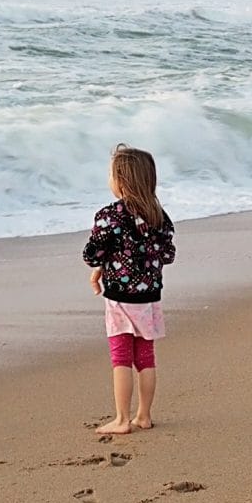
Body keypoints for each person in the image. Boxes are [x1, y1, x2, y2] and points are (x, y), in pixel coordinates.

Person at [82, 143, 176, 434]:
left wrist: (100, 265)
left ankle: (122, 419)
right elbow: (168, 254)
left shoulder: (110, 216)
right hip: (149, 298)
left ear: (120, 181)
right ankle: (144, 416)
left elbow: (92, 253)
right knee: (145, 356)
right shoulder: (159, 216)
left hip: (120, 299)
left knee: (121, 356)